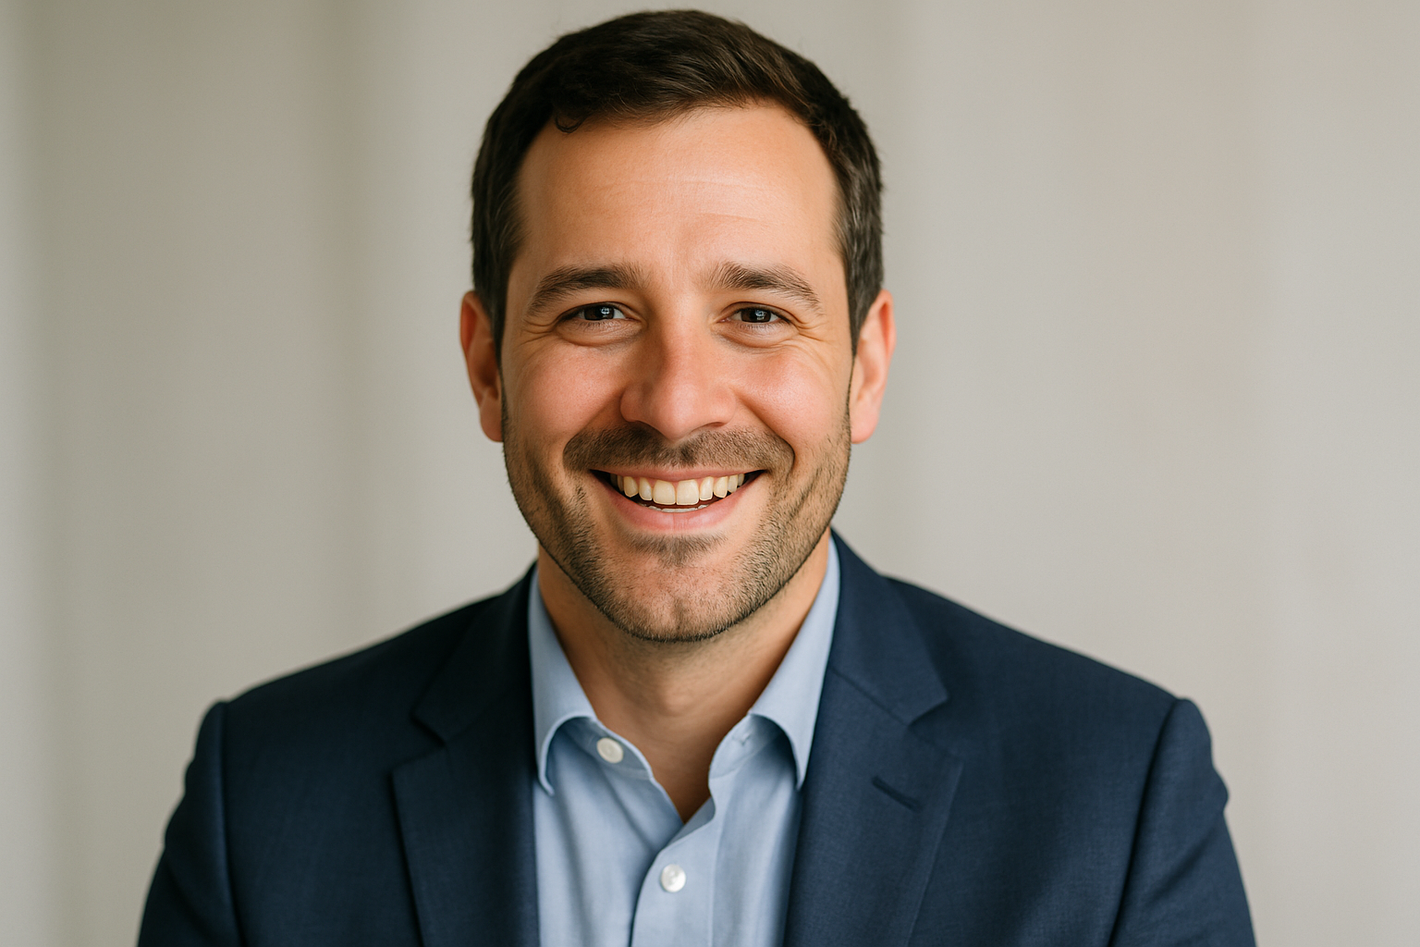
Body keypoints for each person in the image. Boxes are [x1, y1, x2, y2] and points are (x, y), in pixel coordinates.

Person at [138, 10, 1254, 946]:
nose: (675, 404)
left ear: (865, 367)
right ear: (486, 368)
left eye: (756, 314)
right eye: (597, 312)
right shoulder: (262, 806)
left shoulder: (1119, 802)